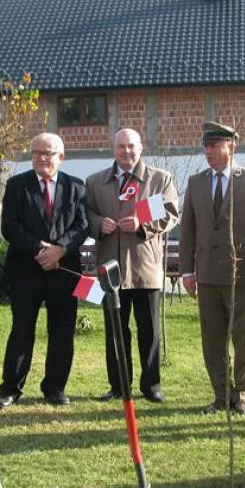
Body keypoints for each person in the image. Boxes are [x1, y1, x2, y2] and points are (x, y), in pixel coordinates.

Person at [179, 121, 245, 416]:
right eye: (205, 146)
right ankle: (221, 394)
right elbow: (188, 231)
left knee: (243, 338)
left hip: (242, 277)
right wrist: (186, 271)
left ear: (231, 146)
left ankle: (242, 395)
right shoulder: (196, 183)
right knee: (213, 339)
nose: (208, 152)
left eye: (214, 146)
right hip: (206, 276)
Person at [0, 133, 89, 408]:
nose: (41, 158)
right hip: (26, 271)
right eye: (36, 153)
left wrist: (60, 250)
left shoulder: (76, 187)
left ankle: (54, 388)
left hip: (63, 270)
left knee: (61, 332)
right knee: (22, 330)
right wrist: (38, 250)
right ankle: (11, 388)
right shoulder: (16, 185)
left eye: (48, 153)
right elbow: (10, 226)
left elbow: (82, 227)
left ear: (61, 157)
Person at [86, 128, 179, 403]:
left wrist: (144, 225)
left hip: (144, 268)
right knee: (116, 331)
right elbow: (84, 214)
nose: (126, 152)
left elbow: (172, 213)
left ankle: (151, 386)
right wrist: (97, 224)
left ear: (141, 147)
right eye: (121, 147)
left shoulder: (159, 180)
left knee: (148, 331)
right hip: (110, 271)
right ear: (112, 148)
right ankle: (118, 385)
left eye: (131, 146)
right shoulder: (95, 182)